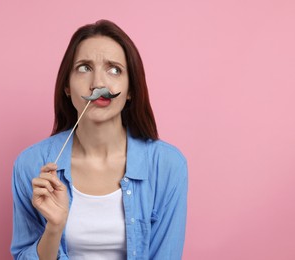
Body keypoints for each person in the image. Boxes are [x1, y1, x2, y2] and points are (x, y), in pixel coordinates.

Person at [11, 19, 188, 260]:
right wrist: (53, 229)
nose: (98, 84)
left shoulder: (167, 165)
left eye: (114, 69)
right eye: (84, 68)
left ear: (131, 89)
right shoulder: (31, 164)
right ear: (66, 86)